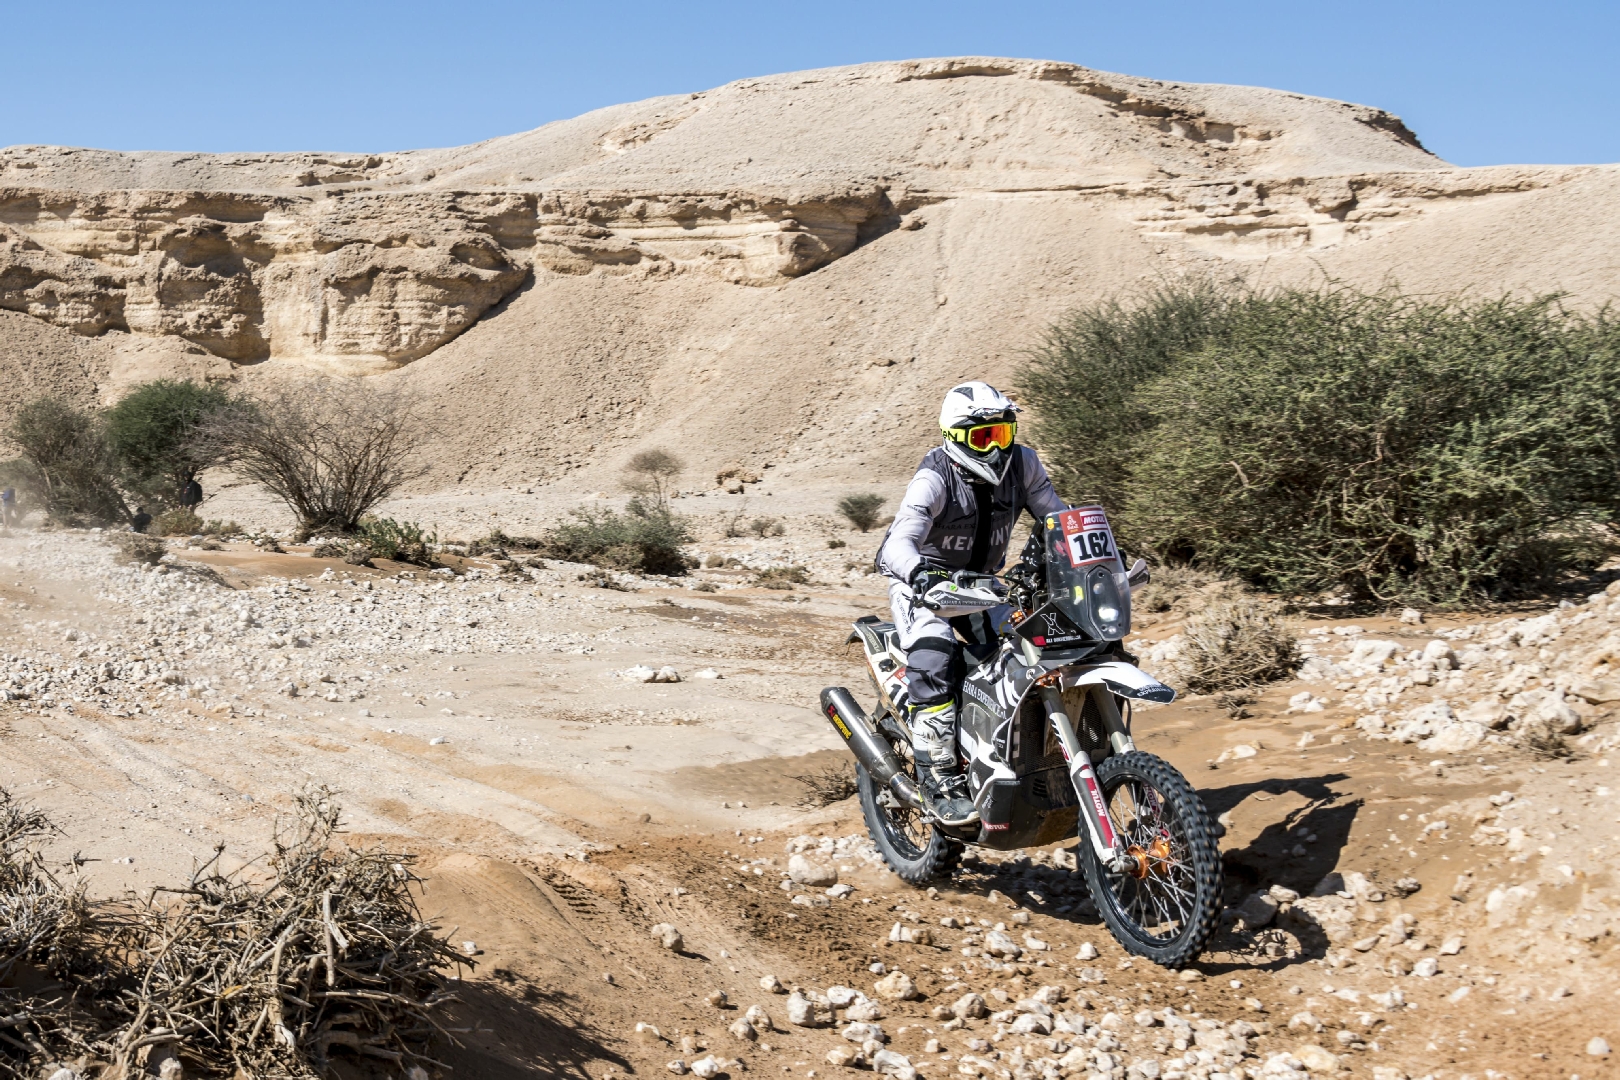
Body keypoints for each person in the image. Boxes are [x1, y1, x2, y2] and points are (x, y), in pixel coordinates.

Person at [875, 381, 1067, 826]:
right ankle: (938, 777)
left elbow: (1057, 516)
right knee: (935, 658)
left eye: (1002, 434)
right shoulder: (935, 478)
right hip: (925, 589)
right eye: (983, 438)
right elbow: (896, 544)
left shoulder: (1024, 464)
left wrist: (1090, 551)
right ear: (954, 437)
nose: (996, 449)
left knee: (1033, 644)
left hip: (984, 588)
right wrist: (921, 573)